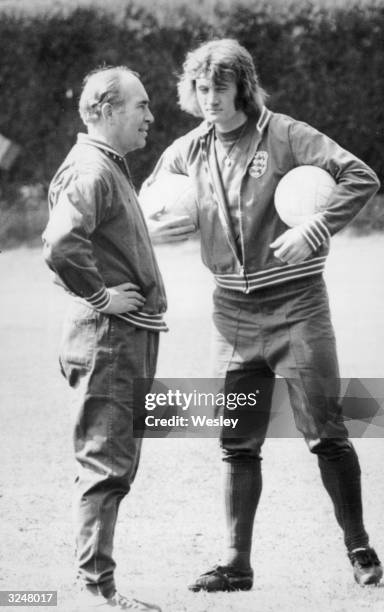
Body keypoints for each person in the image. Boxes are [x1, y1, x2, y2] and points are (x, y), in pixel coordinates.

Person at [142, 39, 383, 592]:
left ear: (242, 87)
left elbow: (360, 176)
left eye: (220, 87)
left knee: (325, 432)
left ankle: (360, 547)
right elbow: (147, 200)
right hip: (230, 313)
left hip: (298, 306)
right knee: (236, 441)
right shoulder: (189, 150)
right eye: (201, 88)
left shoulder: (287, 134)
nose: (210, 99)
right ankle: (236, 565)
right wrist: (156, 226)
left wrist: (315, 228)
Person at [42, 66, 189, 611]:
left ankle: (97, 584)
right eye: (141, 106)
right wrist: (102, 297)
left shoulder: (106, 167)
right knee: (107, 464)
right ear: (104, 110)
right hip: (108, 340)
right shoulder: (92, 169)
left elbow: (84, 241)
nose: (151, 116)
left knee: (115, 464)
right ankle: (96, 592)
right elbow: (60, 245)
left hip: (125, 339)